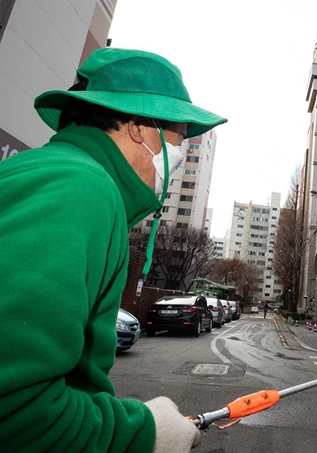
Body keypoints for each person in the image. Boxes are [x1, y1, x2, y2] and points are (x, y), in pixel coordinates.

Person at [0, 48, 227, 452]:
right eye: (178, 139)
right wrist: (143, 434)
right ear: (139, 127)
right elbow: (16, 408)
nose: (181, 153)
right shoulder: (80, 188)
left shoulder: (44, 170)